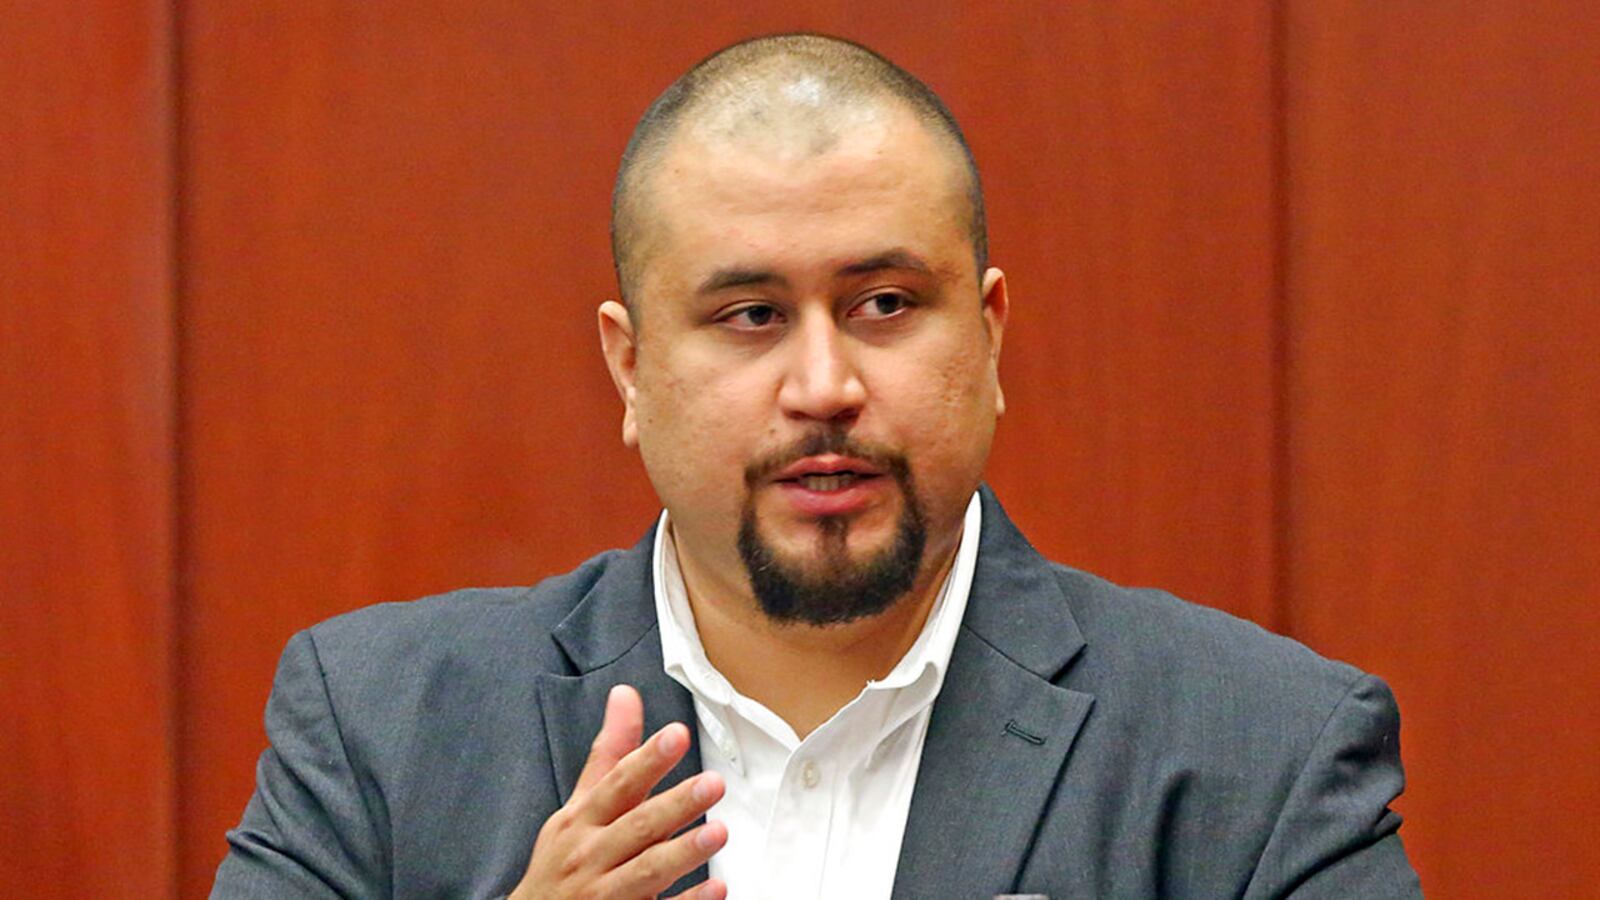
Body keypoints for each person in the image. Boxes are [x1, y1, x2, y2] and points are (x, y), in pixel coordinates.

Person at [212, 34, 1421, 899]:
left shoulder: (1262, 754)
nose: (824, 384)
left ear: (990, 336)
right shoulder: (379, 729)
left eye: (885, 303)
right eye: (748, 315)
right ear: (630, 370)